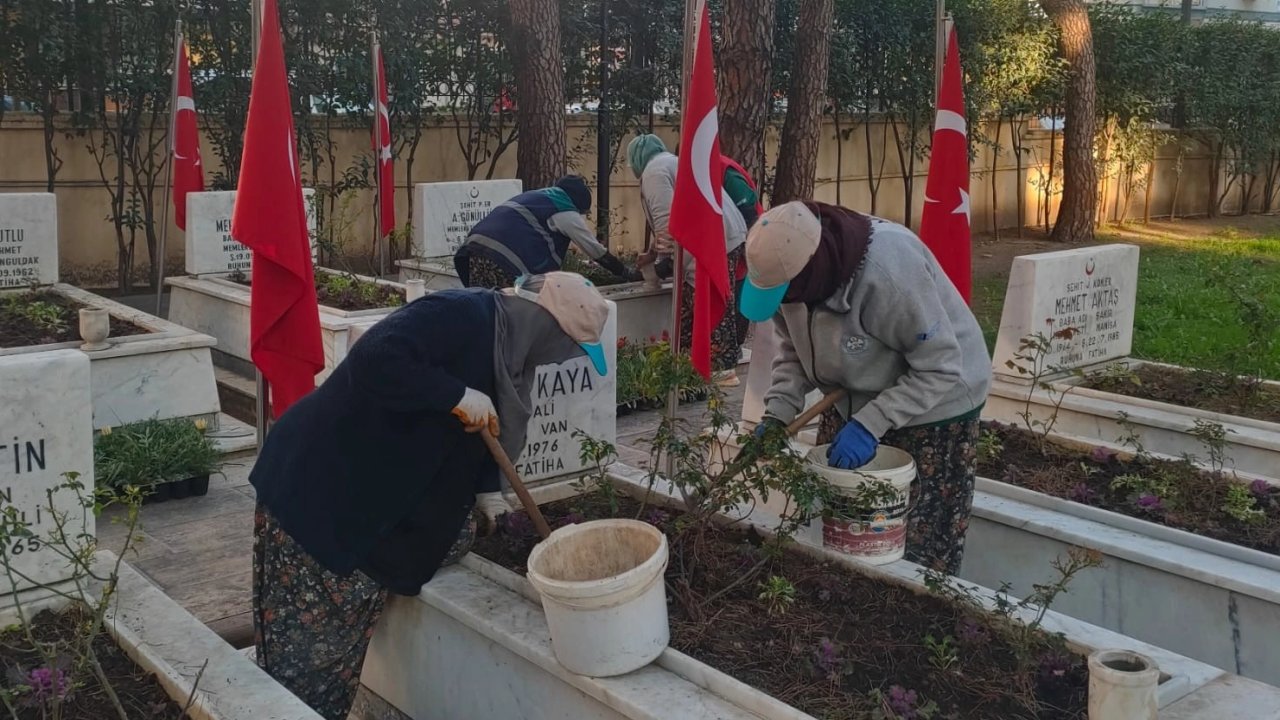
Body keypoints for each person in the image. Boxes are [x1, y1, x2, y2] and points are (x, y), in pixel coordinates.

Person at [249, 272, 611, 720]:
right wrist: (453, 393)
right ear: (547, 327)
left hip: (371, 505)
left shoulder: (509, 355)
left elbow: (486, 429)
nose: (560, 358)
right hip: (323, 498)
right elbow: (375, 358)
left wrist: (486, 491)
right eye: (568, 346)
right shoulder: (463, 315)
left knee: (332, 668)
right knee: (306, 673)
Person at [743, 201, 991, 575]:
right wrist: (777, 415)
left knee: (913, 541)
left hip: (937, 402)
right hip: (849, 394)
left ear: (811, 275)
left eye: (787, 295)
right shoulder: (789, 282)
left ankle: (913, 605)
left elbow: (940, 366)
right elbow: (794, 349)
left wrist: (870, 423)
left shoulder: (888, 272)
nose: (785, 304)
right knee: (841, 524)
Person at [626, 134, 751, 381]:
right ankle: (689, 362)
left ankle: (720, 369)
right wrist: (652, 254)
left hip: (712, 239)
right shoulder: (672, 163)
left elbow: (666, 221)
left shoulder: (654, 173)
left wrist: (664, 263)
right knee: (693, 302)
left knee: (709, 299)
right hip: (726, 233)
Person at [454, 175, 638, 289]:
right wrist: (625, 272)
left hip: (474, 250)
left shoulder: (537, 196)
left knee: (483, 309)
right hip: (502, 261)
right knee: (507, 315)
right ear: (578, 206)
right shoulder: (565, 211)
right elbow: (595, 250)